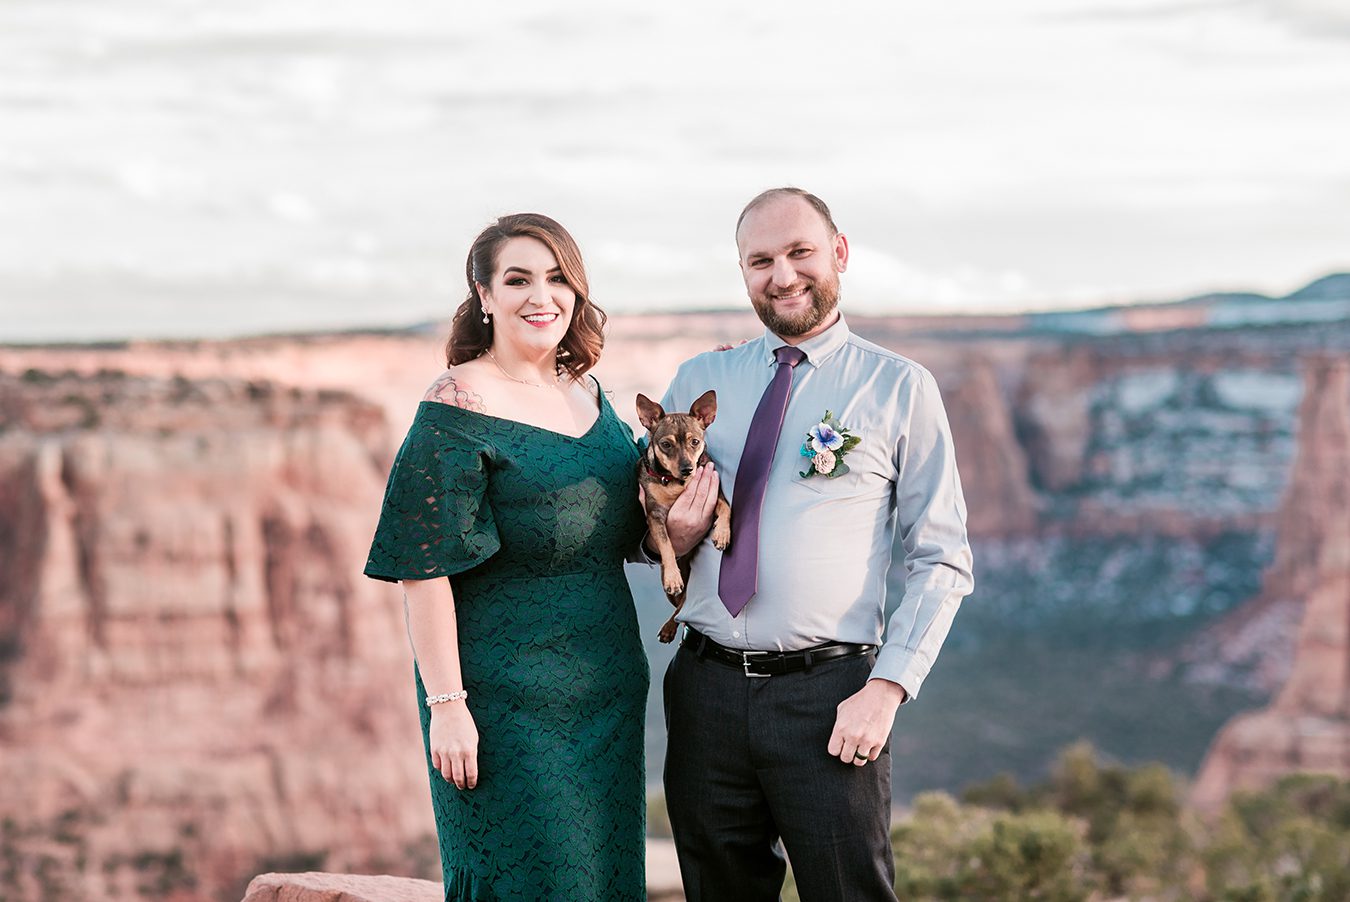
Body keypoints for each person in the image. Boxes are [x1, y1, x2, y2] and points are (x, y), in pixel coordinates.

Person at [652, 188, 974, 901]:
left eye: (800, 252)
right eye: (760, 260)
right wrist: (669, 537)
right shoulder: (699, 382)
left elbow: (942, 557)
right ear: (743, 272)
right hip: (704, 689)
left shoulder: (899, 388)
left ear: (840, 253)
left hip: (830, 697)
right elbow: (645, 523)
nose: (783, 275)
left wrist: (888, 688)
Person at [362, 213, 649, 900]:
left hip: (608, 690)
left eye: (556, 279)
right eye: (517, 279)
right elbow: (422, 568)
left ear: (577, 294)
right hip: (504, 705)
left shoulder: (589, 395)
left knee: (606, 884)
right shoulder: (457, 404)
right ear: (484, 296)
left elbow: (619, 531)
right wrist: (448, 706)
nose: (539, 295)